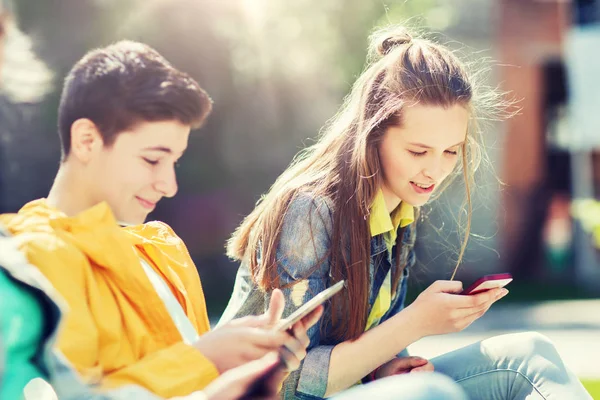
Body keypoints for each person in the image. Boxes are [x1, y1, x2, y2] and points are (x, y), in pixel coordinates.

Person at [220, 25, 593, 400]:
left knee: (530, 355)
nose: (435, 171)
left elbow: (366, 343)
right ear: (373, 134)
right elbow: (282, 382)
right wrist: (415, 323)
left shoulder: (399, 208)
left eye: (451, 151)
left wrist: (388, 367)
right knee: (428, 393)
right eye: (418, 151)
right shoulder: (310, 211)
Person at [0, 40, 318, 399]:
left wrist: (256, 374)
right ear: (87, 140)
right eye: (152, 160)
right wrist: (205, 358)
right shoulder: (26, 263)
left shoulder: (163, 248)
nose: (169, 185)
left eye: (175, 162)